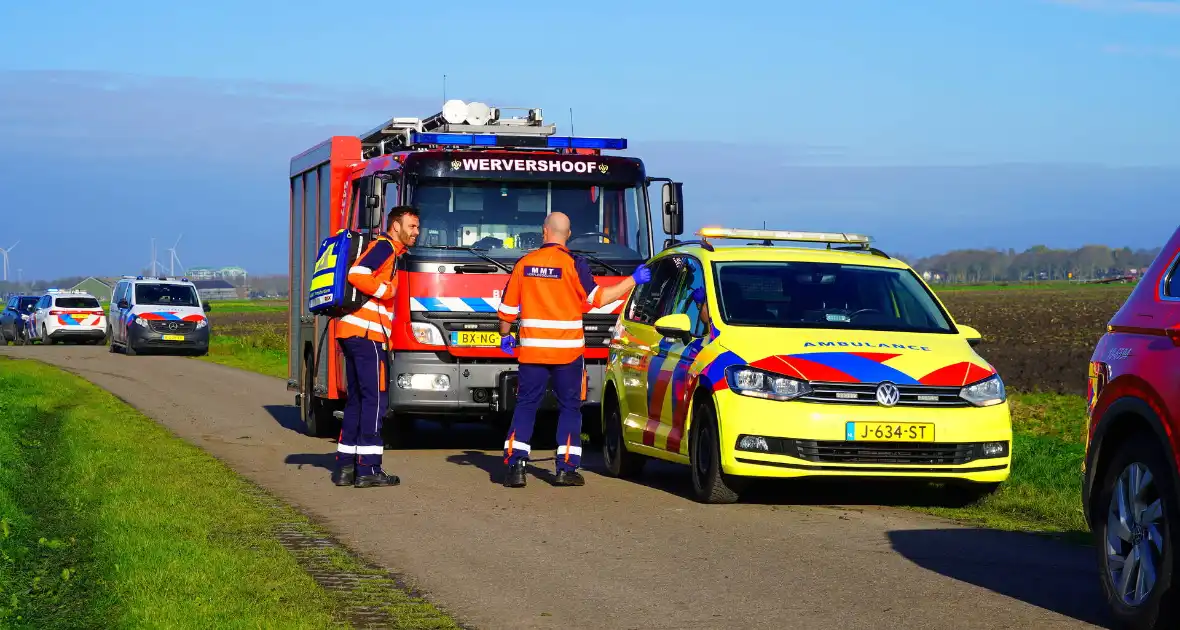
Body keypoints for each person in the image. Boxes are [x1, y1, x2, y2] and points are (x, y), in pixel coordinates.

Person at [496, 212, 652, 488]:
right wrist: (633, 280)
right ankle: (565, 469)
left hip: (532, 353)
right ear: (567, 235)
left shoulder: (525, 263)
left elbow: (507, 309)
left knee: (526, 405)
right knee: (570, 407)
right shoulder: (574, 264)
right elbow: (600, 299)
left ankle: (516, 466)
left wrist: (506, 336)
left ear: (544, 231)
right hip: (567, 354)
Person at [333, 205, 420, 488]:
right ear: (396, 226)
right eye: (412, 226)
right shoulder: (385, 248)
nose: (416, 232)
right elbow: (357, 273)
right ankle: (369, 469)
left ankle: (346, 468)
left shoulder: (391, 252)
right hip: (366, 335)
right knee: (376, 400)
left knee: (358, 400)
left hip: (354, 333)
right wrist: (387, 290)